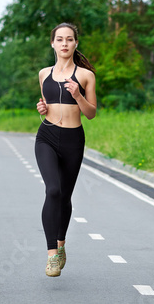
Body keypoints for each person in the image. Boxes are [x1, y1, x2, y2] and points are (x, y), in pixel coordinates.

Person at [35, 22, 97, 277]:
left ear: (75, 43)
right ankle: (51, 255)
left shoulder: (85, 76)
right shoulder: (43, 73)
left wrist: (78, 95)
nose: (64, 43)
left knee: (65, 196)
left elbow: (91, 113)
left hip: (73, 139)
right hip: (47, 136)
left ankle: (61, 244)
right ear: (53, 43)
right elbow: (46, 104)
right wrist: (42, 109)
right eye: (59, 39)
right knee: (53, 190)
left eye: (69, 39)